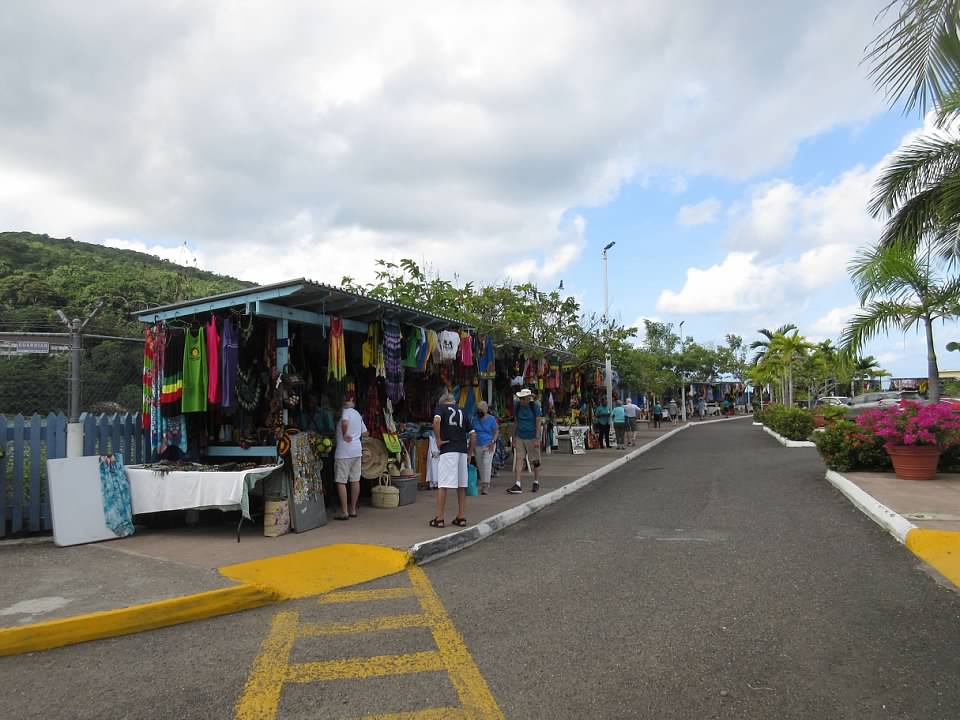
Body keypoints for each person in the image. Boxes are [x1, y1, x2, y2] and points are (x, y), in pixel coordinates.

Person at [430, 392, 475, 528]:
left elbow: (436, 422)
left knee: (443, 485)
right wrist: (470, 453)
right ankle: (461, 517)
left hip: (448, 450)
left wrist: (438, 439)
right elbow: (473, 434)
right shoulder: (463, 411)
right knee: (461, 485)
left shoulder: (441, 408)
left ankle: (439, 518)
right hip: (462, 451)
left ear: (442, 401)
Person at [334, 396, 368, 520]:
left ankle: (344, 512)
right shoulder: (357, 414)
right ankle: (353, 509)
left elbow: (345, 422)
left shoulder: (346, 412)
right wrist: (356, 435)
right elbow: (365, 432)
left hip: (344, 452)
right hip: (357, 451)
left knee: (341, 481)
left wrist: (344, 434)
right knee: (355, 480)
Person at [508, 388, 542, 493]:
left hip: (532, 437)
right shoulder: (517, 406)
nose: (521, 400)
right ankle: (517, 483)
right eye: (520, 398)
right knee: (519, 458)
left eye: (523, 398)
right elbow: (516, 422)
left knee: (535, 460)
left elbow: (538, 421)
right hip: (520, 435)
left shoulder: (534, 406)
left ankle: (536, 481)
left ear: (528, 398)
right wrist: (514, 437)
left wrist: (537, 438)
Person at [473, 401, 499, 494]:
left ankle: (485, 485)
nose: (479, 412)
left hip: (489, 444)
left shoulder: (491, 419)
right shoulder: (475, 419)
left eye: (481, 410)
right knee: (480, 465)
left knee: (486, 463)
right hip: (478, 445)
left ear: (485, 410)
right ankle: (484, 482)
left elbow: (496, 431)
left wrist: (493, 441)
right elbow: (473, 432)